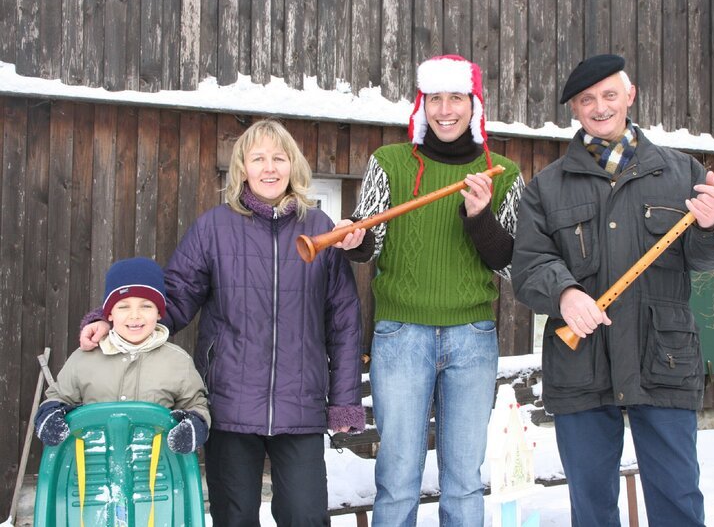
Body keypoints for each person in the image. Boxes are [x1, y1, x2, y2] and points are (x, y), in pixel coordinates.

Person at [79, 119, 364, 526]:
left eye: (279, 158)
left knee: (306, 517)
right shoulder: (214, 228)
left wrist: (344, 403)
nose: (270, 168)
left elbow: (344, 324)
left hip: (300, 405)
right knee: (233, 517)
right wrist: (113, 321)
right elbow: (174, 299)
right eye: (258, 158)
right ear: (242, 167)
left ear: (293, 166)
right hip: (230, 401)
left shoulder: (320, 230)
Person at [511, 54, 714, 527]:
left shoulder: (682, 173)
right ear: (575, 109)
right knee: (592, 507)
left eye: (609, 95)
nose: (600, 107)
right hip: (582, 369)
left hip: (664, 362)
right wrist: (565, 294)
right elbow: (529, 264)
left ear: (630, 95)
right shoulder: (547, 188)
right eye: (587, 99)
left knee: (677, 498)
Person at [334, 54, 525, 526]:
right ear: (422, 105)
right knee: (397, 476)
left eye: (456, 98)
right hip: (401, 335)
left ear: (473, 105)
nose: (445, 109)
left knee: (463, 479)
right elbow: (369, 239)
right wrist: (356, 240)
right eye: (435, 98)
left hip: (472, 336)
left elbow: (511, 265)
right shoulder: (390, 163)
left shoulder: (502, 173)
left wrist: (480, 217)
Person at [35, 257, 211, 455]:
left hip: (156, 472)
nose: (135, 315)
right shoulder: (84, 359)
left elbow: (195, 404)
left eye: (146, 306)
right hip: (92, 469)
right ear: (109, 314)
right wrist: (49, 414)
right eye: (123, 306)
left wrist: (194, 424)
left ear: (159, 313)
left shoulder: (177, 362)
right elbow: (58, 396)